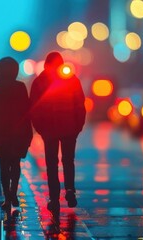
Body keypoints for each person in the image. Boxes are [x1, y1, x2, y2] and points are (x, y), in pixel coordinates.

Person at [30, 52, 86, 212]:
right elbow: (80, 104)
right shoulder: (72, 79)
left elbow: (34, 107)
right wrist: (78, 125)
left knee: (51, 164)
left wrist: (40, 127)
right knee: (68, 160)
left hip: (49, 129)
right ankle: (70, 190)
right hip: (69, 128)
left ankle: (54, 198)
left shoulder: (40, 81)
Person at [0, 57, 33, 212]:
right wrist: (28, 132)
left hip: (0, 132)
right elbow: (26, 111)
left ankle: (7, 197)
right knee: (15, 164)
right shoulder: (20, 87)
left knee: (4, 166)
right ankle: (13, 193)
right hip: (17, 132)